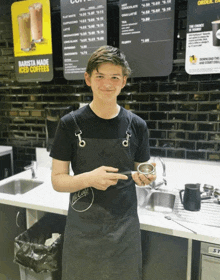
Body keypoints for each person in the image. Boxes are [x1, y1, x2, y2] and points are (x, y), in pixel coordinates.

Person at [50, 45, 156, 280]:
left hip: (124, 232)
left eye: (114, 77)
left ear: (124, 81)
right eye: (100, 76)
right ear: (88, 79)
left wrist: (145, 178)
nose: (107, 84)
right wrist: (89, 179)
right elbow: (57, 180)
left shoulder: (137, 125)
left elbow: (141, 172)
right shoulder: (70, 124)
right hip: (83, 230)